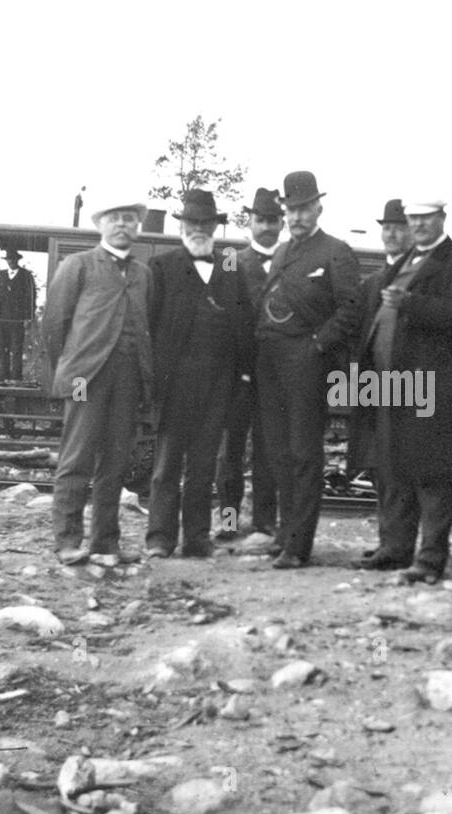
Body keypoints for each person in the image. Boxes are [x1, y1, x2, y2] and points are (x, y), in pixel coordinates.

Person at [353, 199, 452, 584]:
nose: (420, 224)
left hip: (434, 386)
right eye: (414, 218)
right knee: (393, 469)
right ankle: (394, 548)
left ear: (442, 218)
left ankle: (429, 559)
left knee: (433, 474)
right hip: (393, 386)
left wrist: (412, 303)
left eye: (427, 218)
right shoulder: (404, 261)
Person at [254, 171, 362, 569]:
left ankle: (299, 546)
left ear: (318, 207)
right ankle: (284, 532)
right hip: (271, 361)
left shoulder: (336, 251)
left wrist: (318, 346)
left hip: (306, 363)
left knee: (303, 453)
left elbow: (351, 309)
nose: (297, 216)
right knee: (278, 451)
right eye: (291, 209)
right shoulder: (282, 253)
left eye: (304, 208)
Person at [44, 196, 155, 566]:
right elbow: (55, 325)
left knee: (116, 461)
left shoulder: (143, 274)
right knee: (77, 454)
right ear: (101, 225)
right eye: (115, 219)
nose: (123, 224)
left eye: (129, 219)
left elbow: (145, 328)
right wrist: (70, 370)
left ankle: (105, 542)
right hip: (84, 378)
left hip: (127, 379)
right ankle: (67, 540)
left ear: (137, 227)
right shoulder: (78, 265)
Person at [146, 189, 256, 558]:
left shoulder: (228, 265)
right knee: (166, 467)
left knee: (204, 467)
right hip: (175, 385)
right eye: (192, 223)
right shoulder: (162, 266)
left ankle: (196, 539)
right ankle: (160, 539)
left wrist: (241, 379)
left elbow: (244, 325)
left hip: (217, 386)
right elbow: (149, 326)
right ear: (182, 226)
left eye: (205, 224)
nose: (198, 229)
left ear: (214, 227)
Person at [215, 187, 283, 546]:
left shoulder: (291, 259)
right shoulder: (230, 259)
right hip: (237, 374)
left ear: (282, 222)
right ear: (250, 222)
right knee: (230, 451)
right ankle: (227, 521)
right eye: (261, 220)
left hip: (275, 373)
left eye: (273, 219)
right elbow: (219, 313)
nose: (267, 226)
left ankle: (264, 522)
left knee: (268, 450)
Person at [348, 198, 413, 564]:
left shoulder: (418, 274)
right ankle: (389, 539)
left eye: (399, 226)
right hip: (373, 384)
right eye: (387, 226)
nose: (391, 233)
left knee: (401, 466)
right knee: (377, 465)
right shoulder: (371, 282)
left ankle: (399, 546)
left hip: (407, 383)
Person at [0, 249, 38, 381]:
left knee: (16, 349)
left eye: (13, 260)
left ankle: (16, 378)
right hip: (1, 319)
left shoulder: (26, 276)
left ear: (17, 260)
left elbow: (31, 297)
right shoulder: (0, 276)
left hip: (17, 320)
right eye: (8, 260)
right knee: (2, 348)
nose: (10, 262)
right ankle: (3, 378)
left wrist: (29, 317)